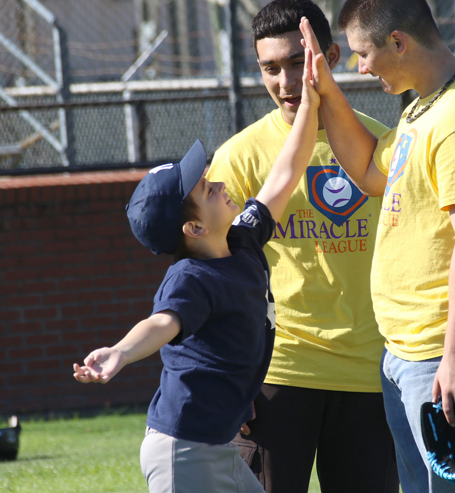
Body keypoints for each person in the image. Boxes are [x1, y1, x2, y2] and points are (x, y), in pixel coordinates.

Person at [299, 0, 455, 493]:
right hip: (408, 350)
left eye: (363, 53)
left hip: (445, 349)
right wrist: (326, 91)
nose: (360, 67)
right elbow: (368, 172)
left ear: (398, 42)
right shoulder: (423, 109)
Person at [72, 39, 321, 493]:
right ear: (193, 230)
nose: (221, 183)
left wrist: (311, 97)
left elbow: (286, 171)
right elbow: (162, 323)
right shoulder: (191, 278)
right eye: (208, 190)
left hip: (213, 445)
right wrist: (121, 353)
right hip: (182, 450)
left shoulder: (242, 240)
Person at [207, 0, 399, 493]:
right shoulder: (239, 158)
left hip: (369, 376)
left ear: (331, 58)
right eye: (270, 68)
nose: (285, 82)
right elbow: (210, 277)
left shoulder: (383, 147)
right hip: (275, 376)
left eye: (298, 61)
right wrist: (230, 376)